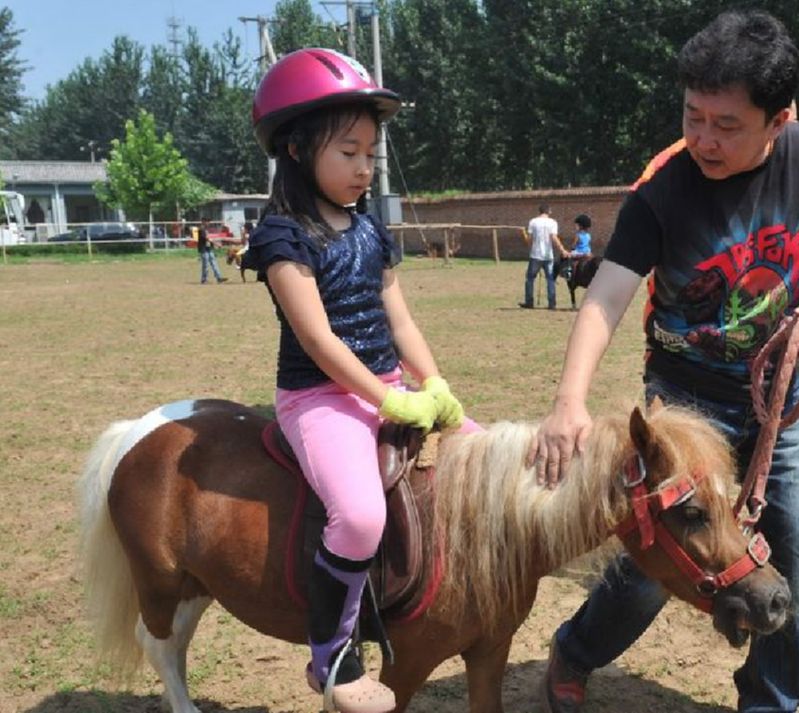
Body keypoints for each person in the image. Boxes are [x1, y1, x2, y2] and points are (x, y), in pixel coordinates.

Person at [530, 10, 799, 712]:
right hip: (685, 401)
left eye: (726, 123)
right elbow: (607, 298)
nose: (703, 138)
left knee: (794, 567)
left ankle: (770, 702)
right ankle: (577, 648)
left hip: (777, 402)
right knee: (659, 563)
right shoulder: (664, 187)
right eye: (693, 115)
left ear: (781, 118)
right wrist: (569, 399)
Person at [242, 48, 475, 713]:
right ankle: (333, 653)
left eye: (371, 153)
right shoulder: (282, 236)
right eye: (349, 151)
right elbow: (317, 339)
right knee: (361, 512)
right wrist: (388, 397)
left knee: (482, 460)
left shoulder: (371, 229)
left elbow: (397, 316)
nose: (364, 167)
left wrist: (437, 384)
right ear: (294, 148)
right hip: (320, 398)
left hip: (389, 381)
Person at [520, 204, 559, 309]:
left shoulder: (533, 222)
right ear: (549, 211)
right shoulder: (553, 222)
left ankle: (529, 302)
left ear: (540, 211)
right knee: (550, 279)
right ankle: (552, 303)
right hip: (548, 255)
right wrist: (562, 249)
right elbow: (554, 237)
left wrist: (523, 234)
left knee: (530, 279)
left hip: (536, 255)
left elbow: (529, 241)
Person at [197, 218, 227, 284]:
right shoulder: (201, 229)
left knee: (214, 263)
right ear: (203, 222)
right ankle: (204, 279)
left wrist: (214, 244)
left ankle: (219, 278)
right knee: (205, 264)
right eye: (207, 221)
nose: (208, 223)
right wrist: (216, 244)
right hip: (204, 248)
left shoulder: (207, 229)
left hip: (209, 248)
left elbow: (210, 237)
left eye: (209, 221)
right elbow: (207, 239)